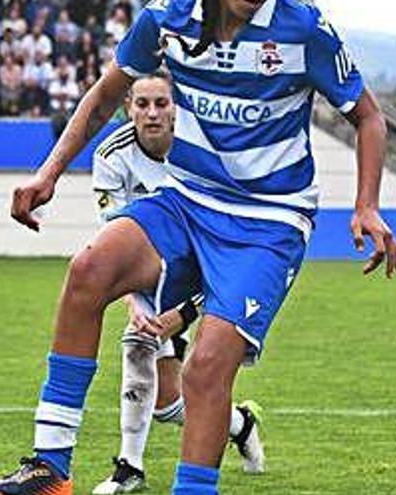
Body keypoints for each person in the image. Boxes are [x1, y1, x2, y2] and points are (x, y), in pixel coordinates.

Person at [0, 0, 396, 494]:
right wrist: (49, 172)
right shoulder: (166, 17)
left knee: (205, 368)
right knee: (89, 270)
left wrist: (366, 205)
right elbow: (107, 92)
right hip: (188, 200)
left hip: (268, 222)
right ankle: (51, 468)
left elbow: (369, 117)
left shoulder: (303, 27)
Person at [90, 74, 266, 495]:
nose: (152, 113)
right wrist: (136, 300)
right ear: (127, 107)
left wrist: (183, 313)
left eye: (162, 104)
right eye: (143, 103)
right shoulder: (112, 156)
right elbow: (116, 242)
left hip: (203, 275)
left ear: (177, 108)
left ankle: (129, 467)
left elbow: (225, 255)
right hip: (149, 275)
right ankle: (240, 424)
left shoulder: (203, 154)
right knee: (168, 406)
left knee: (139, 347)